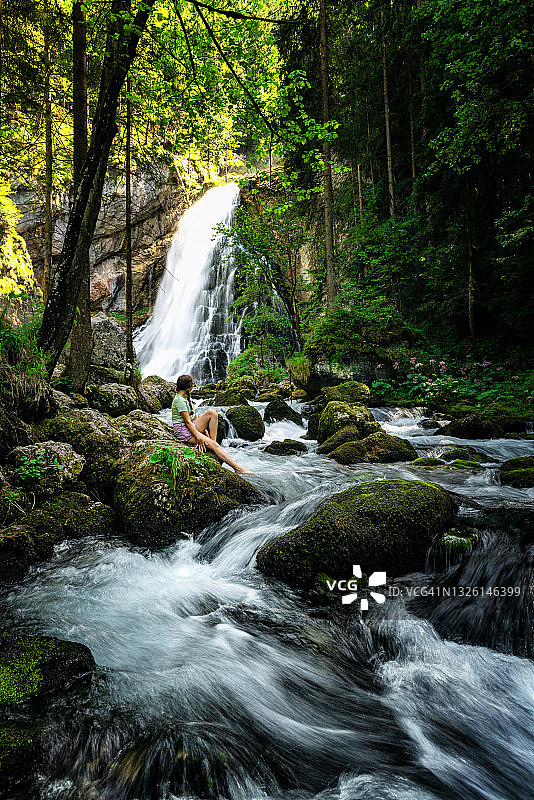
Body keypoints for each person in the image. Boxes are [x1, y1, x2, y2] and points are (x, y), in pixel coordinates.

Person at [171, 374, 254, 475]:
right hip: (183, 430)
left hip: (191, 425)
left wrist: (204, 429)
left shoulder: (185, 396)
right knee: (214, 445)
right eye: (192, 384)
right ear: (189, 387)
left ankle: (213, 443)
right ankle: (238, 468)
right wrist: (199, 437)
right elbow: (187, 422)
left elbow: (193, 416)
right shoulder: (179, 400)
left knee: (213, 413)